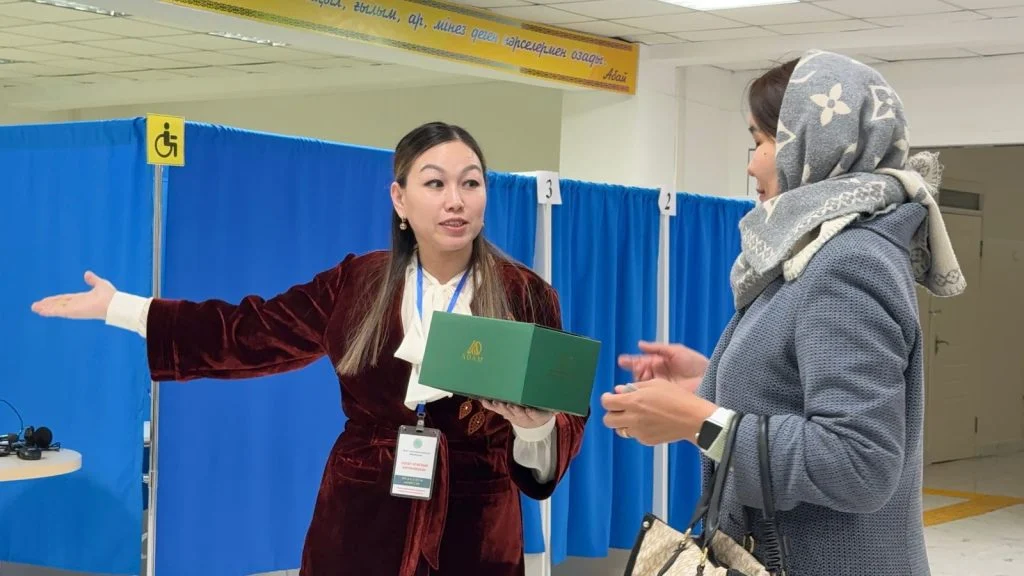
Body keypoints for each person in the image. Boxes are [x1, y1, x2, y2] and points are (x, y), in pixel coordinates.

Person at [31, 121, 587, 576]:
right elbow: (250, 331)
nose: (455, 201)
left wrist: (535, 428)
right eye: (435, 184)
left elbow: (560, 414)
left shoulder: (524, 294)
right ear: (400, 198)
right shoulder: (357, 282)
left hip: (474, 524)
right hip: (360, 516)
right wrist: (122, 307)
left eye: (471, 183)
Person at [601, 50, 965, 575]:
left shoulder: (848, 261)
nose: (752, 163)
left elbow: (859, 461)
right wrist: (710, 381)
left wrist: (697, 422)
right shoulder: (814, 250)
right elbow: (800, 393)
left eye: (762, 142)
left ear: (812, 143)